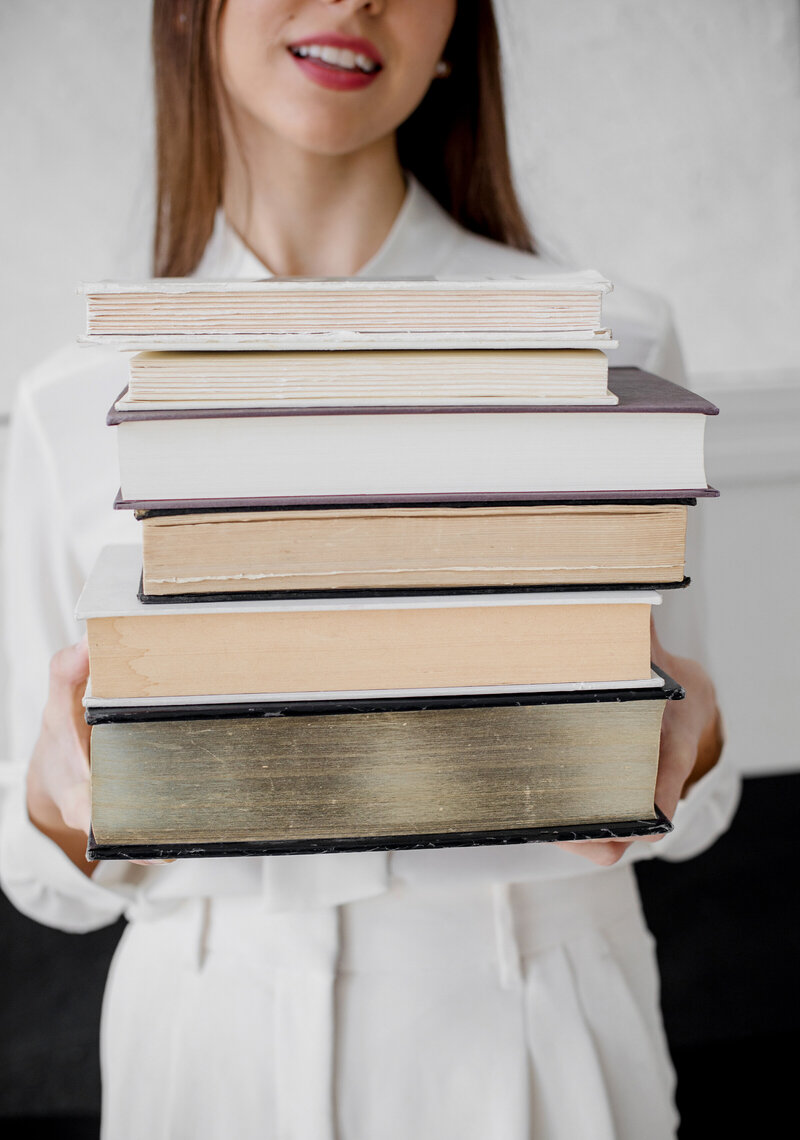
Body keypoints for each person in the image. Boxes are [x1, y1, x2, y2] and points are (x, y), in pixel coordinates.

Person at [0, 1, 738, 1137]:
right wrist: (63, 802)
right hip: (205, 1039)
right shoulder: (70, 397)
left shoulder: (613, 348)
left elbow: (703, 777)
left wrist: (683, 739)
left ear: (454, 30)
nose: (352, 1)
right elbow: (38, 872)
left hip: (534, 1015)